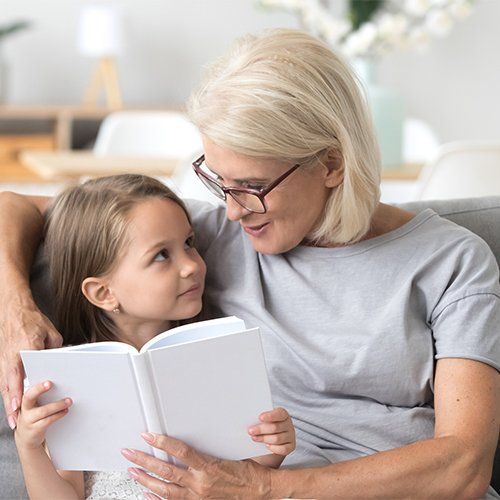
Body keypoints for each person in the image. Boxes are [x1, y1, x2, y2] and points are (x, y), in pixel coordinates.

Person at [0, 28, 498, 499]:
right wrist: (15, 306)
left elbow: (463, 465)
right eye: (218, 181)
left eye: (253, 187)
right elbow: (15, 204)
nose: (234, 210)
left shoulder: (452, 262)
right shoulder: (205, 236)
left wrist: (261, 489)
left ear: (330, 164)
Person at [11, 174, 295, 499]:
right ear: (103, 293)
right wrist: (29, 447)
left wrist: (274, 445)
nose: (191, 265)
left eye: (189, 243)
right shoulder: (73, 379)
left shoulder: (215, 355)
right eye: (162, 255)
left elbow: (247, 473)